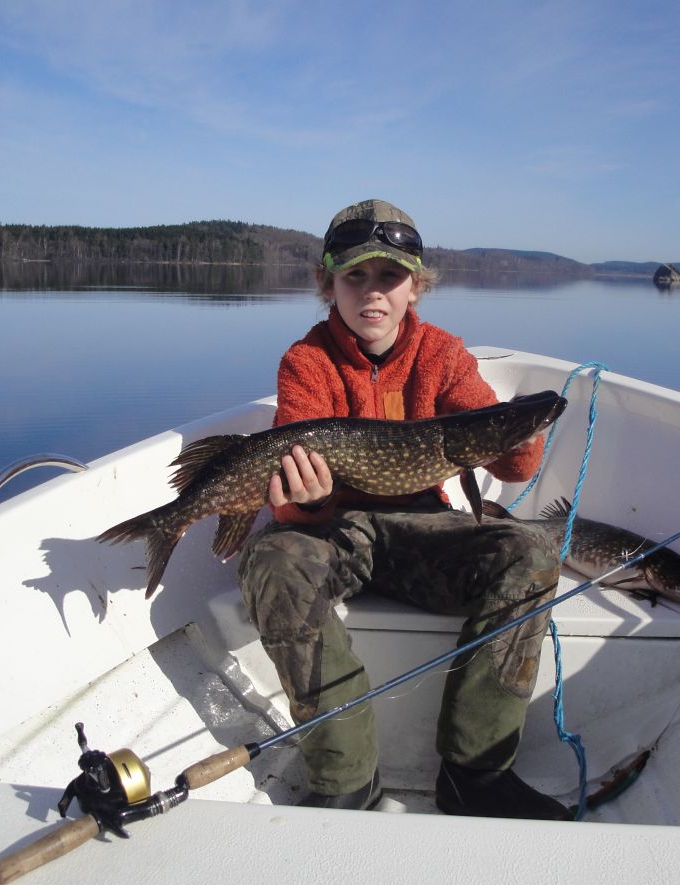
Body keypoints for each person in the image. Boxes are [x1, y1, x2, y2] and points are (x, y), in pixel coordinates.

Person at [236, 199, 567, 820]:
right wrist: (309, 498)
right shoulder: (305, 362)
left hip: (426, 528)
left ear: (416, 285)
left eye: (389, 277)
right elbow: (296, 500)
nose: (373, 293)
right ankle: (346, 778)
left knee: (531, 551)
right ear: (326, 282)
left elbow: (510, 463)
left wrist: (519, 434)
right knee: (274, 561)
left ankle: (475, 772)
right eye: (355, 276)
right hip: (335, 529)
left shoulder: (442, 353)